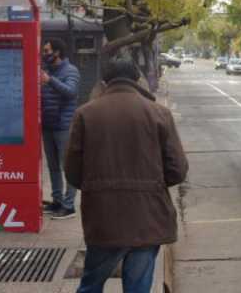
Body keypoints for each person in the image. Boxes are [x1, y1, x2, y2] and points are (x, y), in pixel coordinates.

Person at [65, 57, 188, 293]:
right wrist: (152, 185)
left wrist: (96, 187)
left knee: (91, 284)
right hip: (147, 216)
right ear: (136, 79)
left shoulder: (85, 114)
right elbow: (178, 169)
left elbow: (72, 171)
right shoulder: (158, 113)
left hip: (103, 218)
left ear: (104, 82)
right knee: (138, 288)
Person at [41, 39, 81, 220]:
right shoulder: (47, 70)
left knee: (67, 167)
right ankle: (57, 200)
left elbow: (71, 92)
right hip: (48, 125)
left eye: (47, 50)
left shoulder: (70, 70)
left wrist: (50, 81)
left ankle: (69, 205)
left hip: (64, 126)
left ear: (57, 52)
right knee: (53, 167)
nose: (44, 54)